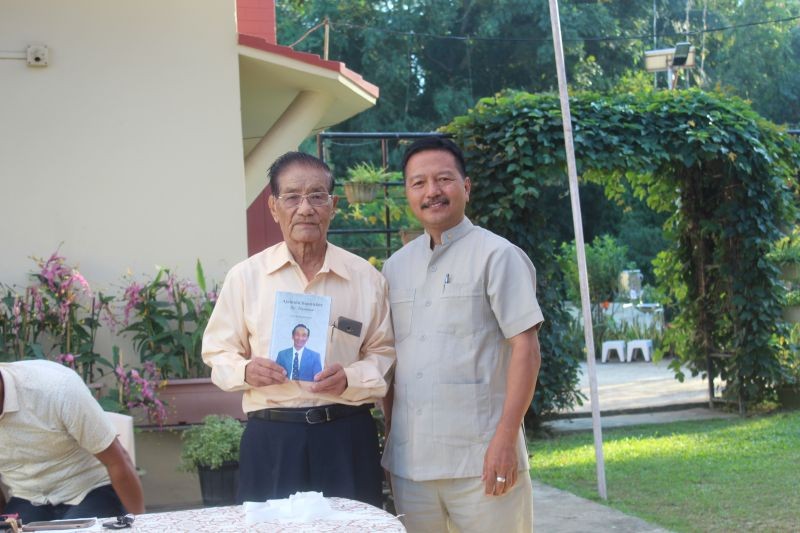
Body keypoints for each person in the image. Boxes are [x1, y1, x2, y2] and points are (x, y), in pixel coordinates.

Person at [202, 151, 395, 508]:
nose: (305, 208)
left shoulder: (366, 279)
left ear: (333, 204)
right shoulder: (246, 278)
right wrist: (246, 369)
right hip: (272, 438)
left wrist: (350, 378)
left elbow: (383, 353)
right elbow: (217, 352)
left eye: (317, 196)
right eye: (292, 197)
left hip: (346, 434)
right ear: (274, 207)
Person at [381, 137, 543, 532]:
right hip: (411, 464)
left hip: (482, 459)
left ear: (466, 187)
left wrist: (506, 439)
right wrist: (390, 439)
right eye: (418, 183)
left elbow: (526, 346)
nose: (432, 191)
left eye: (443, 179)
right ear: (407, 193)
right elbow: (389, 361)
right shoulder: (395, 267)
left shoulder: (497, 256)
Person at [0, 360, 145, 522]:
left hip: (90, 490)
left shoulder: (57, 389)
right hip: (27, 496)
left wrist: (141, 524)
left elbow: (117, 461)